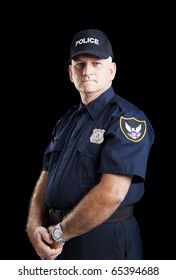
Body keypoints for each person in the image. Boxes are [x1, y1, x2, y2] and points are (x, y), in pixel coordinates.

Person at [26, 28, 155, 260]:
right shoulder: (66, 121)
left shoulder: (126, 120)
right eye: (80, 64)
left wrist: (59, 233)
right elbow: (46, 177)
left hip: (104, 241)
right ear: (70, 73)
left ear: (112, 70)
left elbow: (112, 193)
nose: (87, 71)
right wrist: (33, 226)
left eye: (96, 63)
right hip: (57, 240)